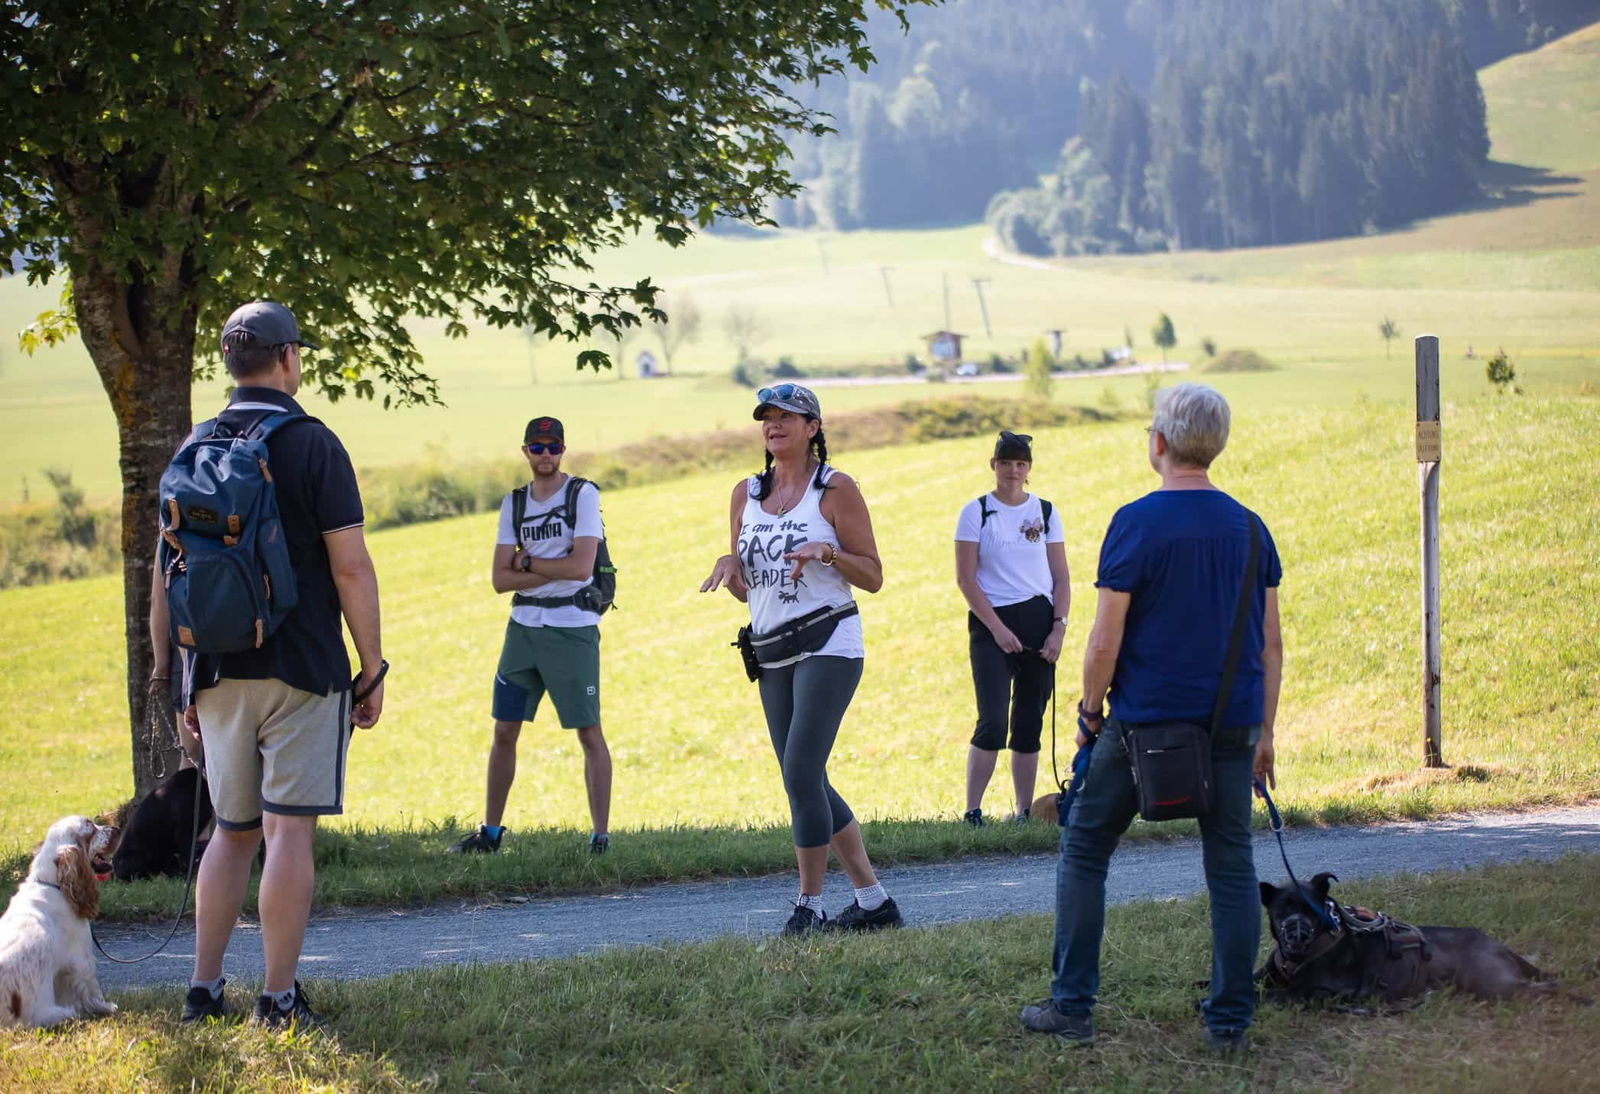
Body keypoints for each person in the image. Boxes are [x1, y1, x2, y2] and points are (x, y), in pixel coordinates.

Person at [1021, 382, 1282, 1054]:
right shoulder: (1251, 527)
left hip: (1142, 728)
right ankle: (1230, 1023)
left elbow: (1104, 641)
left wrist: (1086, 715)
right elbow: (1269, 644)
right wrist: (1267, 733)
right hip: (1231, 726)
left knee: (1083, 848)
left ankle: (1071, 1005)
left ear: (1159, 442)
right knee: (1231, 866)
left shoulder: (1136, 522)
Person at [151, 300, 385, 1030]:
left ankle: (202, 990)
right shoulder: (314, 444)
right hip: (303, 668)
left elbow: (166, 575)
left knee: (231, 830)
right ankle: (278, 999)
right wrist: (371, 667)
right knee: (288, 834)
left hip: (216, 670)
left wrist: (173, 674)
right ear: (288, 359)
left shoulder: (194, 446)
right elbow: (350, 570)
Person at [700, 383, 903, 934]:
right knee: (804, 778)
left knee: (800, 771)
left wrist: (829, 551)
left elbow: (874, 576)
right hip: (771, 651)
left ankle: (808, 905)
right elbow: (750, 589)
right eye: (767, 416)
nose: (774, 424)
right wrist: (730, 565)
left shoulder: (834, 489)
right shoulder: (746, 492)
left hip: (828, 640)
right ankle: (874, 902)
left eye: (787, 416)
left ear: (813, 427)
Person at [450, 415, 613, 855]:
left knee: (588, 732)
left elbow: (580, 568)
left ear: (563, 450)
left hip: (571, 629)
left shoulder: (582, 493)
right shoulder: (514, 503)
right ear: (525, 450)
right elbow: (498, 581)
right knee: (504, 729)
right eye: (538, 447)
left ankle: (600, 836)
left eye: (553, 447)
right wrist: (541, 568)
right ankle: (491, 832)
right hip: (522, 628)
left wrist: (526, 563)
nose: (546, 455)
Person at [954, 431, 1070, 826]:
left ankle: (1023, 811)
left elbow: (1062, 579)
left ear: (1029, 469)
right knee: (992, 721)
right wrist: (998, 629)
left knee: (1029, 721)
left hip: (1040, 621)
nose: (1013, 471)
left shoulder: (1047, 512)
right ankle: (973, 811)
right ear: (994, 465)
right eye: (1006, 463)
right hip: (991, 623)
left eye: (1021, 464)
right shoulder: (977, 512)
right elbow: (966, 579)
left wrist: (1059, 629)